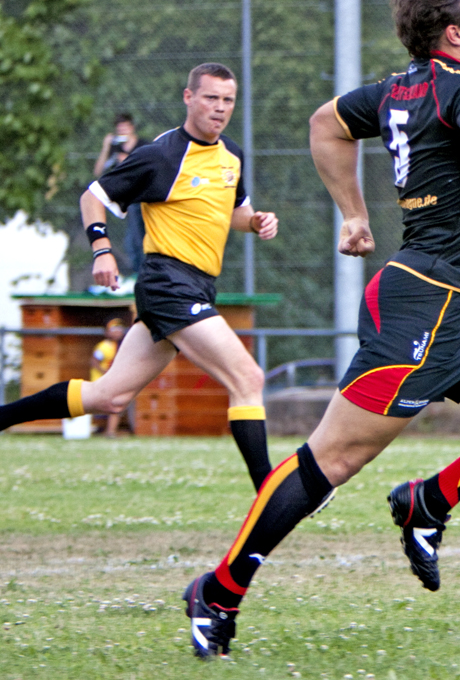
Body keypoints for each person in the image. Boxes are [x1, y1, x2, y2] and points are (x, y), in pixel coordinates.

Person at [181, 0, 460, 659]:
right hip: (423, 304)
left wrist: (355, 215)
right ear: (454, 34)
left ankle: (429, 501)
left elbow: (327, 123)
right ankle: (218, 592)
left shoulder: (403, 87)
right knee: (333, 458)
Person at [0, 62, 279, 494]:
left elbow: (235, 212)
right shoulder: (161, 155)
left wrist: (256, 221)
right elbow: (92, 197)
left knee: (108, 396)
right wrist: (102, 249)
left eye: (228, 100)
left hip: (198, 285)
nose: (220, 108)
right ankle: (271, 492)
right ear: (189, 98)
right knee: (249, 379)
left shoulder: (232, 156)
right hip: (169, 283)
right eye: (210, 98)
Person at [94, 113, 149, 275]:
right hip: (125, 200)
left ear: (132, 127)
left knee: (139, 240)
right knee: (130, 243)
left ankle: (144, 273)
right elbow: (98, 171)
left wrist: (128, 160)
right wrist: (106, 147)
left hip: (142, 197)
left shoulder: (143, 145)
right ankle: (138, 273)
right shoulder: (115, 148)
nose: (122, 130)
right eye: (119, 128)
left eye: (125, 127)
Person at [90, 317, 128, 437]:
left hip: (112, 382)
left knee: (115, 405)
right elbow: (94, 361)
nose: (117, 331)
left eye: (119, 328)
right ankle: (108, 431)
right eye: (114, 329)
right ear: (107, 332)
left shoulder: (121, 346)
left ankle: (110, 431)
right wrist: (107, 373)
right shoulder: (104, 346)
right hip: (102, 381)